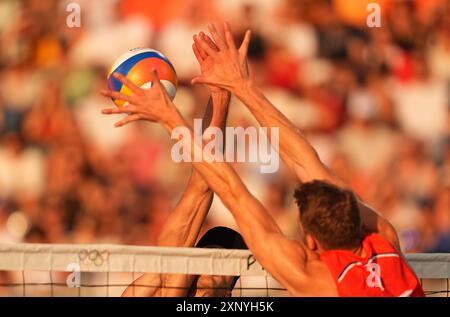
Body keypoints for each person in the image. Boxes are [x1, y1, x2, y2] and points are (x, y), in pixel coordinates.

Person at [102, 22, 424, 297]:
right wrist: (236, 89)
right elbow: (305, 164)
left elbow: (232, 191)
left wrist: (173, 118)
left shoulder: (314, 278)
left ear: (310, 242)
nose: (209, 284)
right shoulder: (385, 241)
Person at [121, 35, 245, 297]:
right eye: (206, 257)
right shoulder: (168, 288)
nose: (211, 266)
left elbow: (204, 187)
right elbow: (202, 186)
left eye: (222, 259)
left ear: (234, 283)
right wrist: (220, 97)